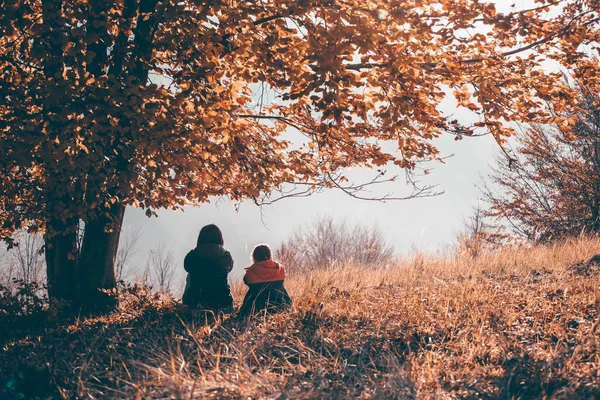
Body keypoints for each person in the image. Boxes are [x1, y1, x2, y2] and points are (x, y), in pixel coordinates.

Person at [182, 224, 234, 313]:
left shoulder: (192, 255)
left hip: (195, 301)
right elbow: (229, 269)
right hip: (222, 303)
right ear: (220, 238)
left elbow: (187, 267)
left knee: (190, 276)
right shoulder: (226, 255)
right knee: (223, 276)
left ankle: (189, 303)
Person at [237, 244, 291, 318]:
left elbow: (246, 281)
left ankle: (243, 314)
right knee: (280, 288)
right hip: (279, 306)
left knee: (251, 292)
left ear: (254, 257)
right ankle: (288, 306)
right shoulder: (280, 269)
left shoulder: (250, 272)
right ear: (270, 256)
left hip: (257, 309)